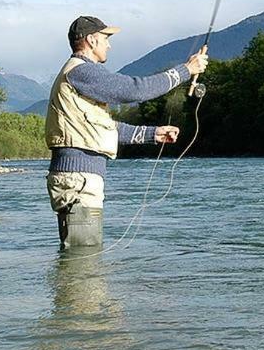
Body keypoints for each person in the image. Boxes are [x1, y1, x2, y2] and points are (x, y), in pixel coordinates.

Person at [45, 15, 208, 249]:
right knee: (82, 260)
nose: (109, 44)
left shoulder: (80, 75)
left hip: (78, 178)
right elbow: (134, 89)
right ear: (91, 40)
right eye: (105, 38)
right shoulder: (82, 71)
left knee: (83, 258)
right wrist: (186, 71)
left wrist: (154, 134)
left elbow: (104, 129)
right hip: (78, 180)